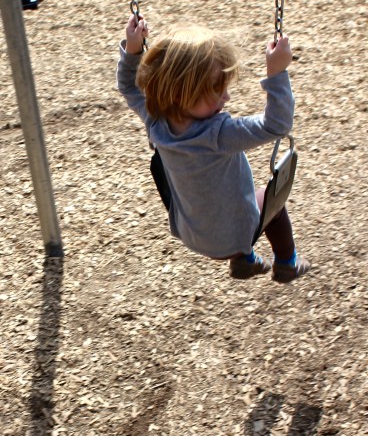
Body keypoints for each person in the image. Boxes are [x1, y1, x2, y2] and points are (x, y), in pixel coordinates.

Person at [116, 14, 310, 282]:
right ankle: (287, 262)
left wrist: (133, 47)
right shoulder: (219, 134)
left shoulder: (156, 122)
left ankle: (246, 261)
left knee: (227, 201)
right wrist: (277, 72)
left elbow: (128, 86)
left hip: (192, 235)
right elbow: (276, 125)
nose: (226, 97)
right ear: (181, 92)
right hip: (233, 237)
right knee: (271, 200)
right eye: (216, 90)